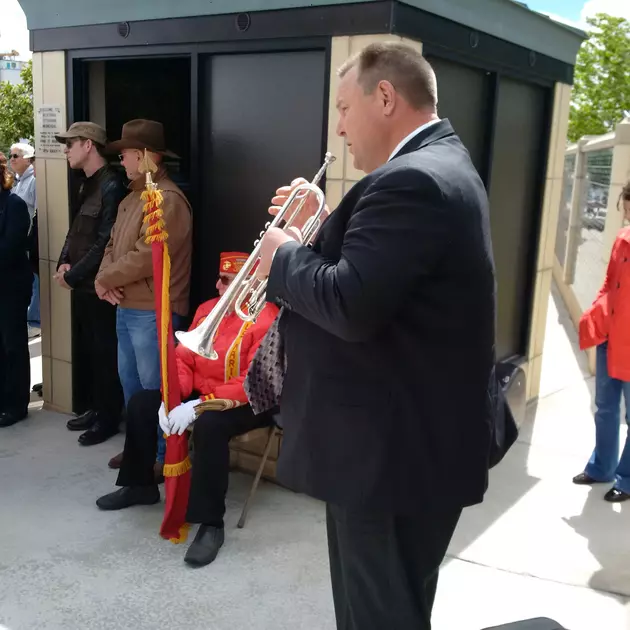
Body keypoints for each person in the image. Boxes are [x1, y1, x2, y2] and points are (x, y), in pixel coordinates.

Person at [251, 42, 497, 630]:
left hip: (389, 461)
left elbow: (349, 301)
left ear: (384, 96)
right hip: (411, 452)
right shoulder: (438, 166)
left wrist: (282, 258)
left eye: (342, 108)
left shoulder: (411, 181)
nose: (339, 129)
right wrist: (328, 216)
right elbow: (387, 269)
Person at [96, 252, 279, 567]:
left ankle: (210, 523)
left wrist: (198, 405)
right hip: (202, 395)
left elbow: (253, 380)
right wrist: (173, 397)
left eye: (227, 281)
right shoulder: (208, 310)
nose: (218, 287)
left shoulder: (267, 316)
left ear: (249, 285)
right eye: (219, 279)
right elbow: (183, 358)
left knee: (210, 426)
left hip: (249, 400)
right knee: (142, 403)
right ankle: (139, 485)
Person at [95, 119, 192, 416]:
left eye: (124, 154)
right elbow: (112, 245)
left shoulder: (167, 199)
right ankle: (140, 450)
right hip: (128, 306)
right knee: (131, 383)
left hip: (153, 311)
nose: (121, 160)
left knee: (155, 387)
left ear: (142, 155)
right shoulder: (132, 197)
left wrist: (104, 280)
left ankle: (161, 459)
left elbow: (147, 255)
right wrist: (104, 278)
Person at [52, 122, 127, 446]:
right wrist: (63, 263)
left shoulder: (112, 185)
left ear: (88, 145)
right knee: (92, 352)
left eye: (71, 143)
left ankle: (108, 417)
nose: (66, 150)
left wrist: (73, 274)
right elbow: (75, 231)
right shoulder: (87, 183)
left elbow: (105, 241)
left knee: (105, 353)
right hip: (82, 285)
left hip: (99, 287)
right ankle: (97, 409)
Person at [575, 181, 630, 502]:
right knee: (605, 408)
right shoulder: (622, 240)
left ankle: (626, 478)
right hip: (611, 336)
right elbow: (609, 283)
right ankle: (601, 468)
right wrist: (595, 314)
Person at [0, 153, 32, 427]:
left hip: (10, 288)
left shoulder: (14, 205)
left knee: (13, 345)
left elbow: (10, 249)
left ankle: (16, 404)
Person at [9, 142, 39, 337]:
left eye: (16, 156)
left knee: (36, 279)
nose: (12, 160)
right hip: (19, 241)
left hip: (29, 239)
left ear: (28, 159)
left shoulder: (34, 181)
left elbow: (39, 211)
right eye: (11, 156)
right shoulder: (18, 181)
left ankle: (35, 322)